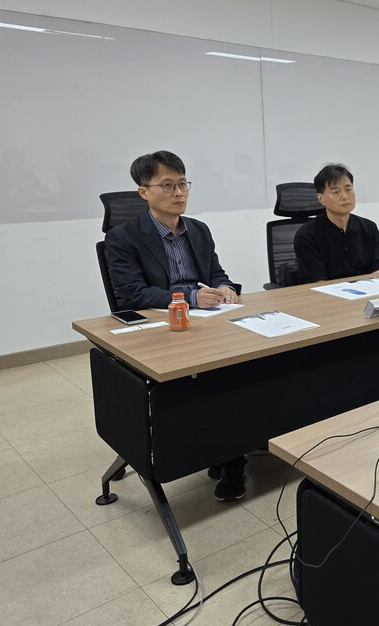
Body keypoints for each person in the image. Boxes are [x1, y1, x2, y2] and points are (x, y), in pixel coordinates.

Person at [105, 150, 247, 502]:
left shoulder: (198, 230)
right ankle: (230, 456)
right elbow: (133, 295)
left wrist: (225, 286)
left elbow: (214, 273)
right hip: (164, 327)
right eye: (167, 185)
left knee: (250, 361)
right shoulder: (123, 238)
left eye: (183, 183)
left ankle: (237, 443)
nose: (178, 192)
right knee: (217, 379)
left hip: (209, 323)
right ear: (144, 192)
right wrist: (192, 299)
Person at [293, 163, 379, 284]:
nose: (345, 197)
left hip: (365, 294)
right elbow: (318, 283)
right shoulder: (307, 236)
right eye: (336, 192)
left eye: (348, 189)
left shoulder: (369, 228)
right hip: (328, 297)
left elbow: (378, 271)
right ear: (321, 199)